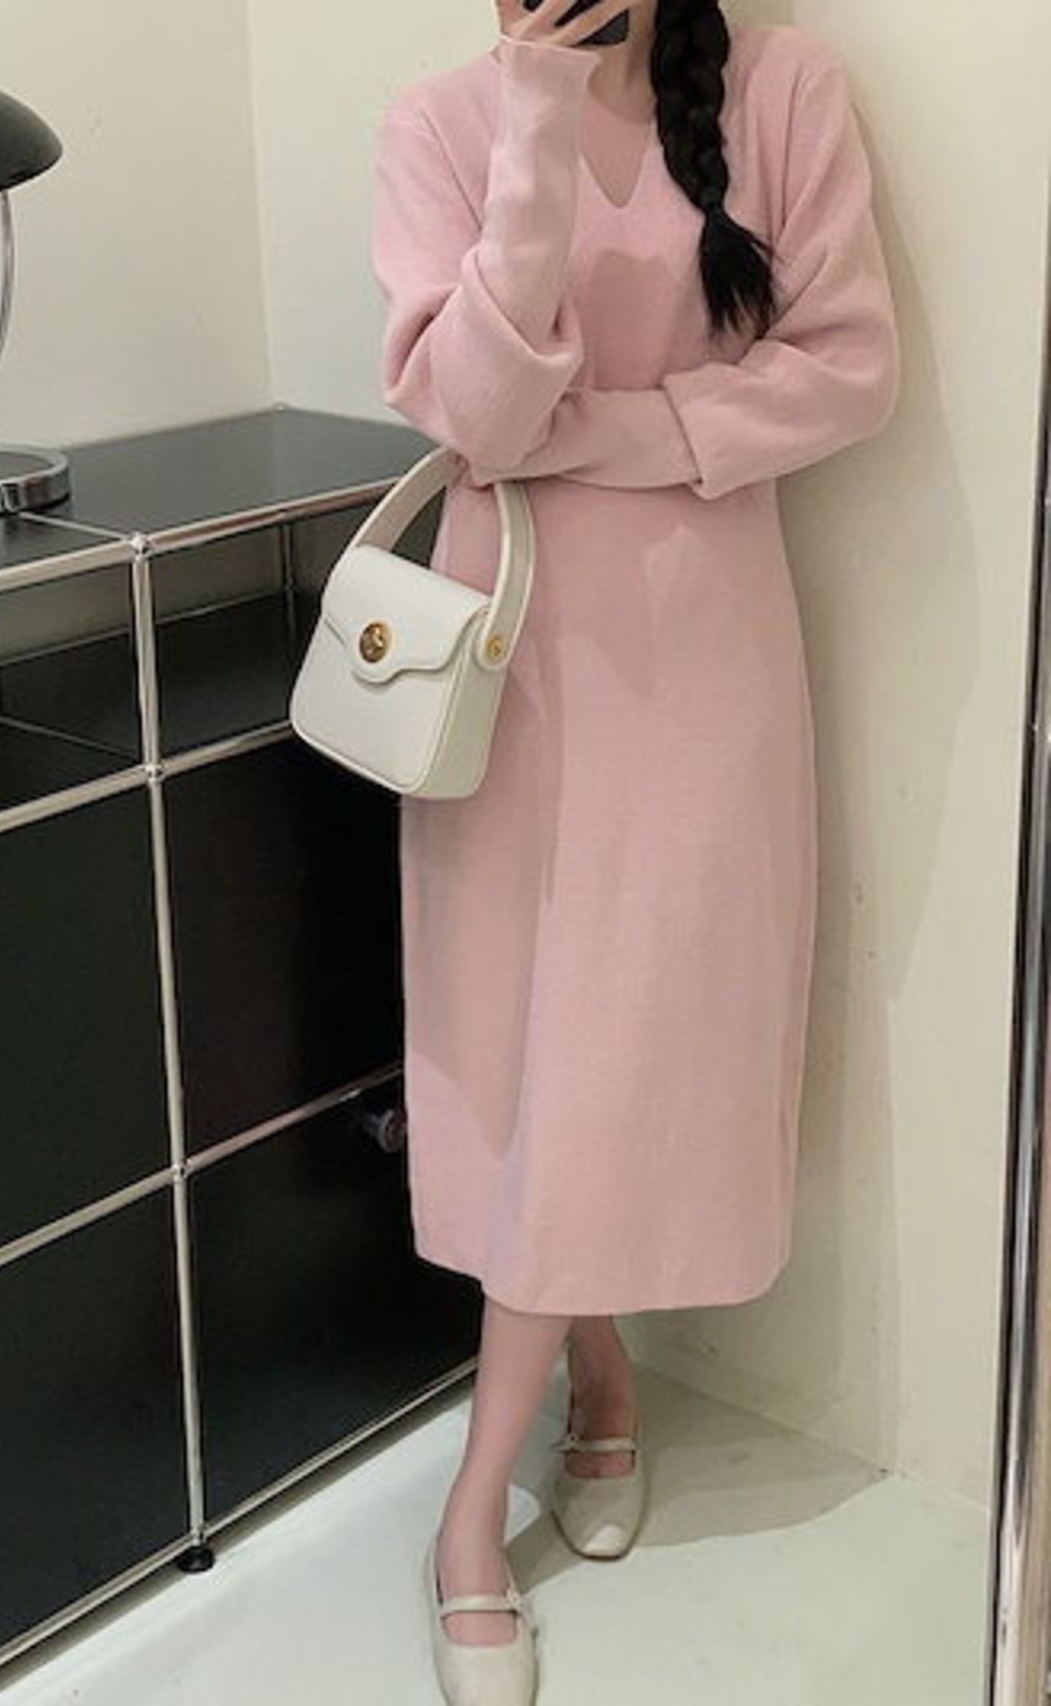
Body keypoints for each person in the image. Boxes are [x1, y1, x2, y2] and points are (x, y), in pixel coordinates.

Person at [370, 0, 899, 1699]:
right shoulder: (442, 121)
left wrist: (623, 433)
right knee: (533, 1041)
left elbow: (852, 364)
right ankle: (591, 1385)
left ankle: (472, 1509)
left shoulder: (784, 87)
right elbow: (475, 414)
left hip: (699, 646)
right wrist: (533, 126)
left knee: (624, 1038)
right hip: (505, 649)